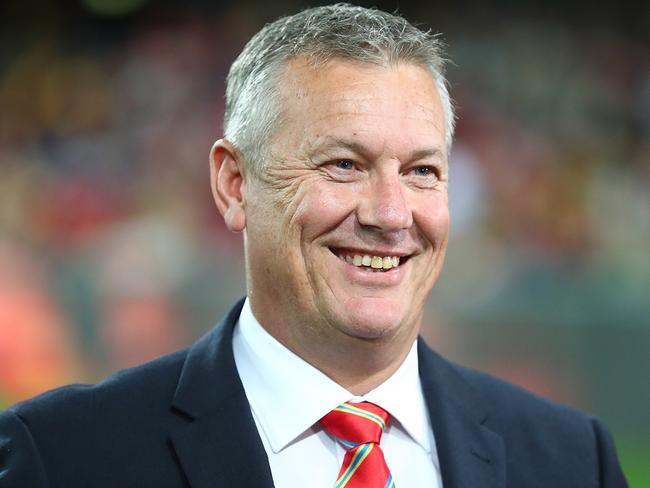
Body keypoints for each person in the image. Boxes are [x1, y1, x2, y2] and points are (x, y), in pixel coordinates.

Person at [0, 4, 627, 487]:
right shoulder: (62, 456)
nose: (390, 214)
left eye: (422, 171)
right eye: (344, 164)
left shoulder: (573, 461)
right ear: (234, 184)